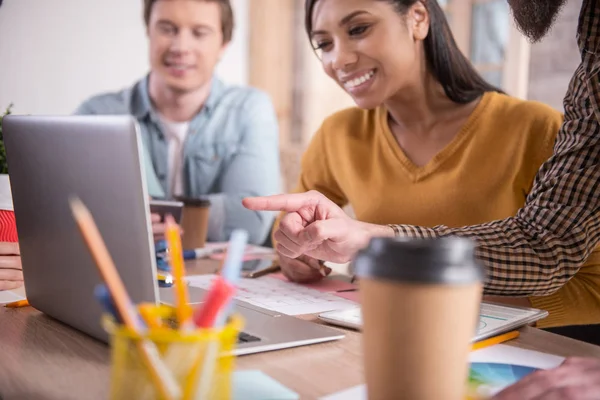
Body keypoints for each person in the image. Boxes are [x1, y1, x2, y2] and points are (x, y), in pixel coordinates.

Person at [244, 0, 598, 328]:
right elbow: (290, 233)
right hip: (377, 341)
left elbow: (591, 286)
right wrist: (296, 252)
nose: (339, 59)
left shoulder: (537, 129)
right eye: (324, 44)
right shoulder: (338, 134)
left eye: (358, 29)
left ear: (417, 18)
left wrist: (436, 302)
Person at [76, 0, 280, 245]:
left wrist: (137, 214)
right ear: (148, 31)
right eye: (167, 29)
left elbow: (250, 223)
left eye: (199, 33)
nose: (181, 47)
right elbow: (67, 211)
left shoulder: (249, 109)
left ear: (223, 44)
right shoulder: (97, 114)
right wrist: (198, 214)